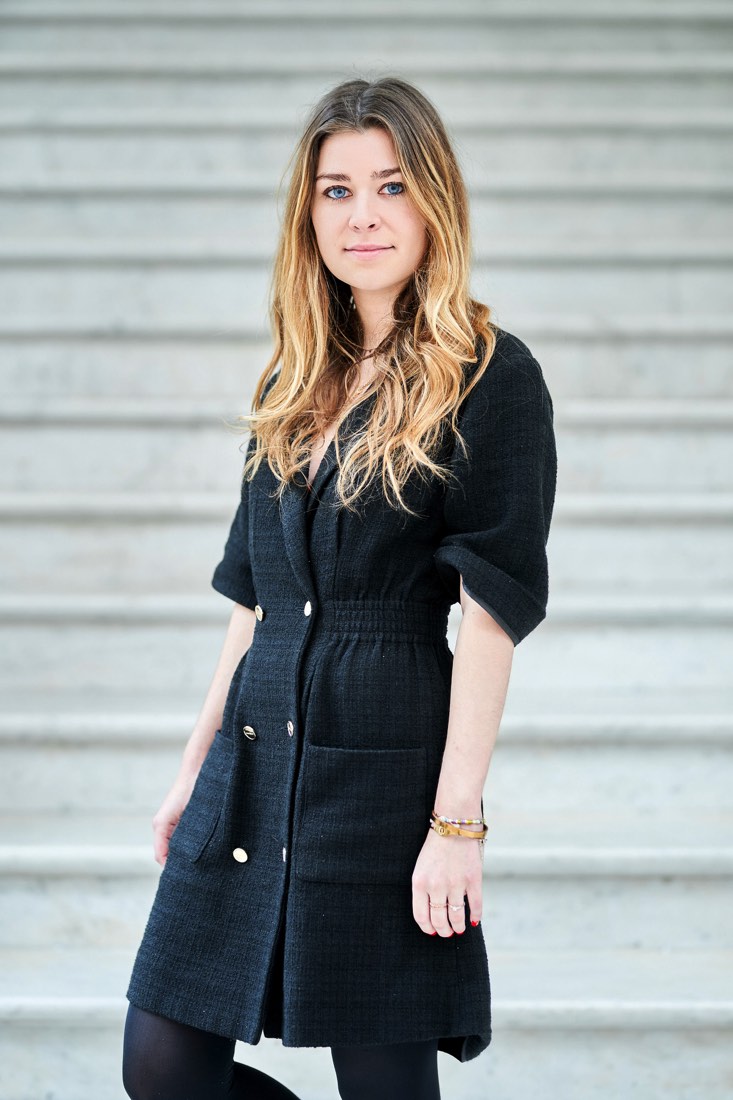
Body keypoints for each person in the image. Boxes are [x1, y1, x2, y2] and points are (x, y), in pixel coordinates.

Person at [122, 75, 557, 1100]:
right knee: (163, 1068)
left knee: (382, 1082)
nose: (363, 214)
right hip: (251, 757)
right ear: (307, 214)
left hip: (383, 766)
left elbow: (489, 617)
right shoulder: (291, 378)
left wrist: (455, 826)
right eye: (336, 190)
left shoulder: (491, 376)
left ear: (434, 202)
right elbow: (255, 602)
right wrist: (193, 766)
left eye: (391, 186)